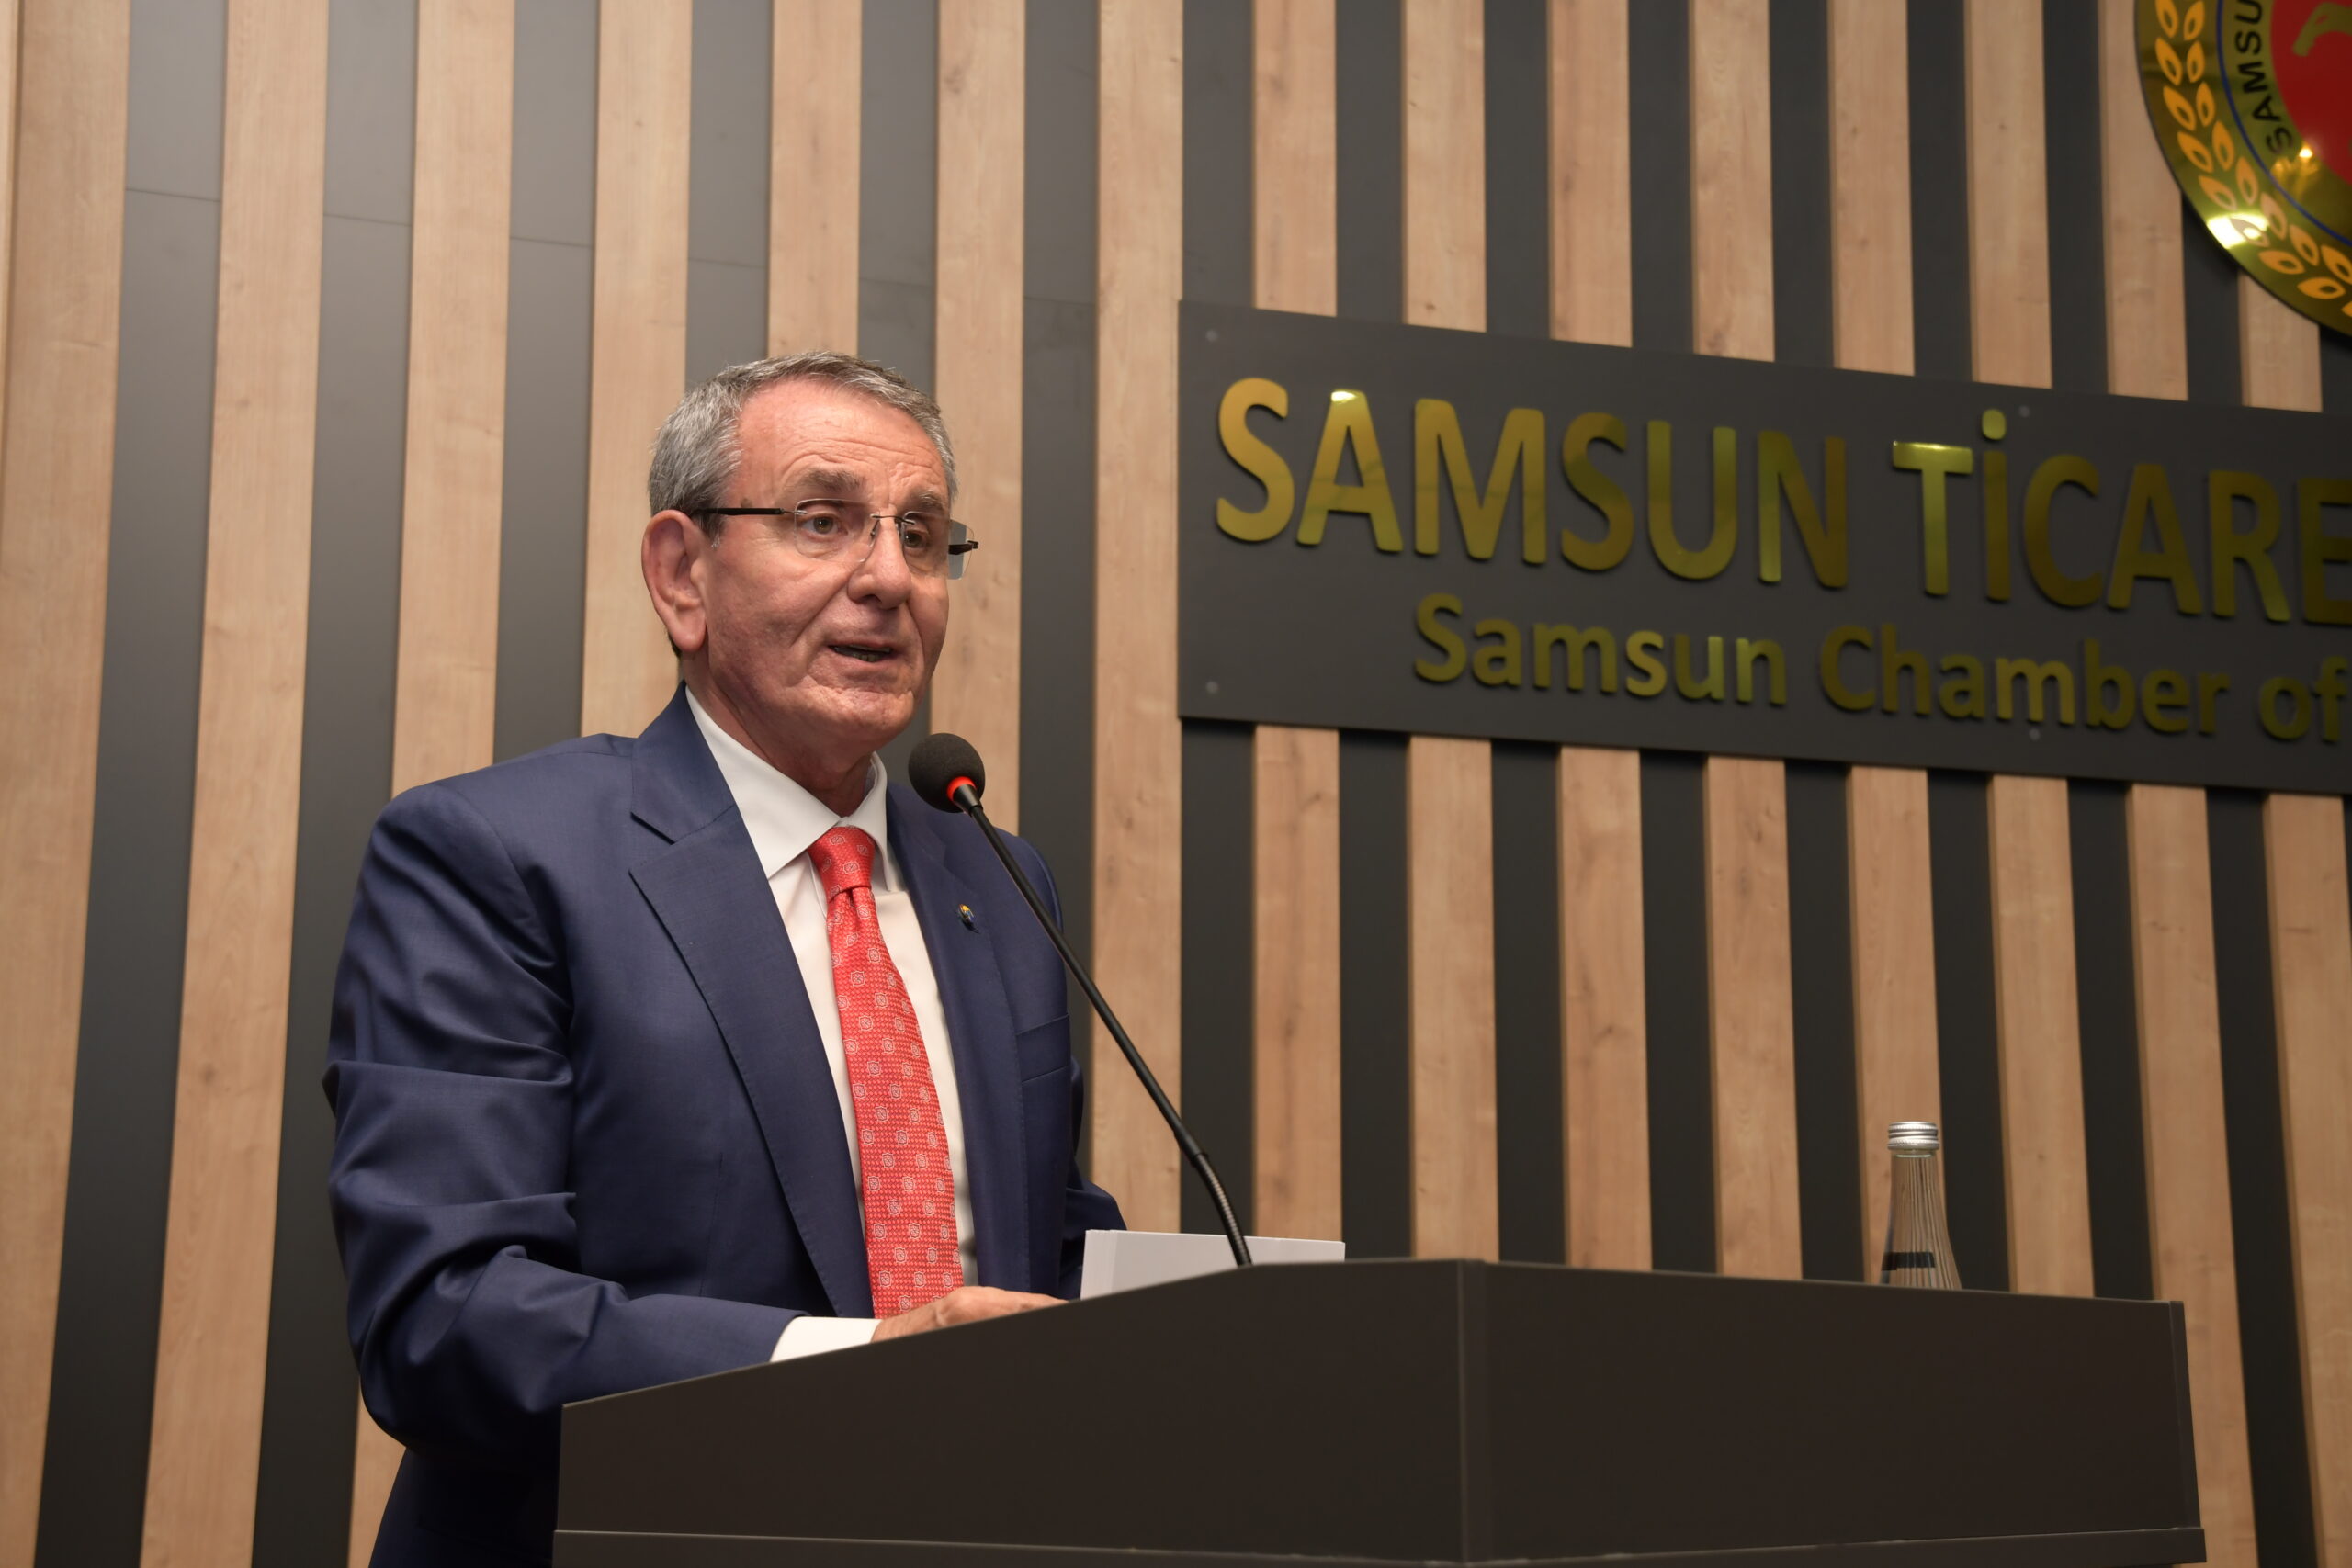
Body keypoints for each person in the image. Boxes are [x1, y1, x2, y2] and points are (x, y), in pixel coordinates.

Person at [325, 353, 1123, 1568]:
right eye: (823, 521)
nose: (888, 579)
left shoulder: (998, 880)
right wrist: (860, 1368)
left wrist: (1216, 1335)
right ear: (681, 574)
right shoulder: (496, 857)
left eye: (921, 536)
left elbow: (1040, 1236)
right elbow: (444, 1319)